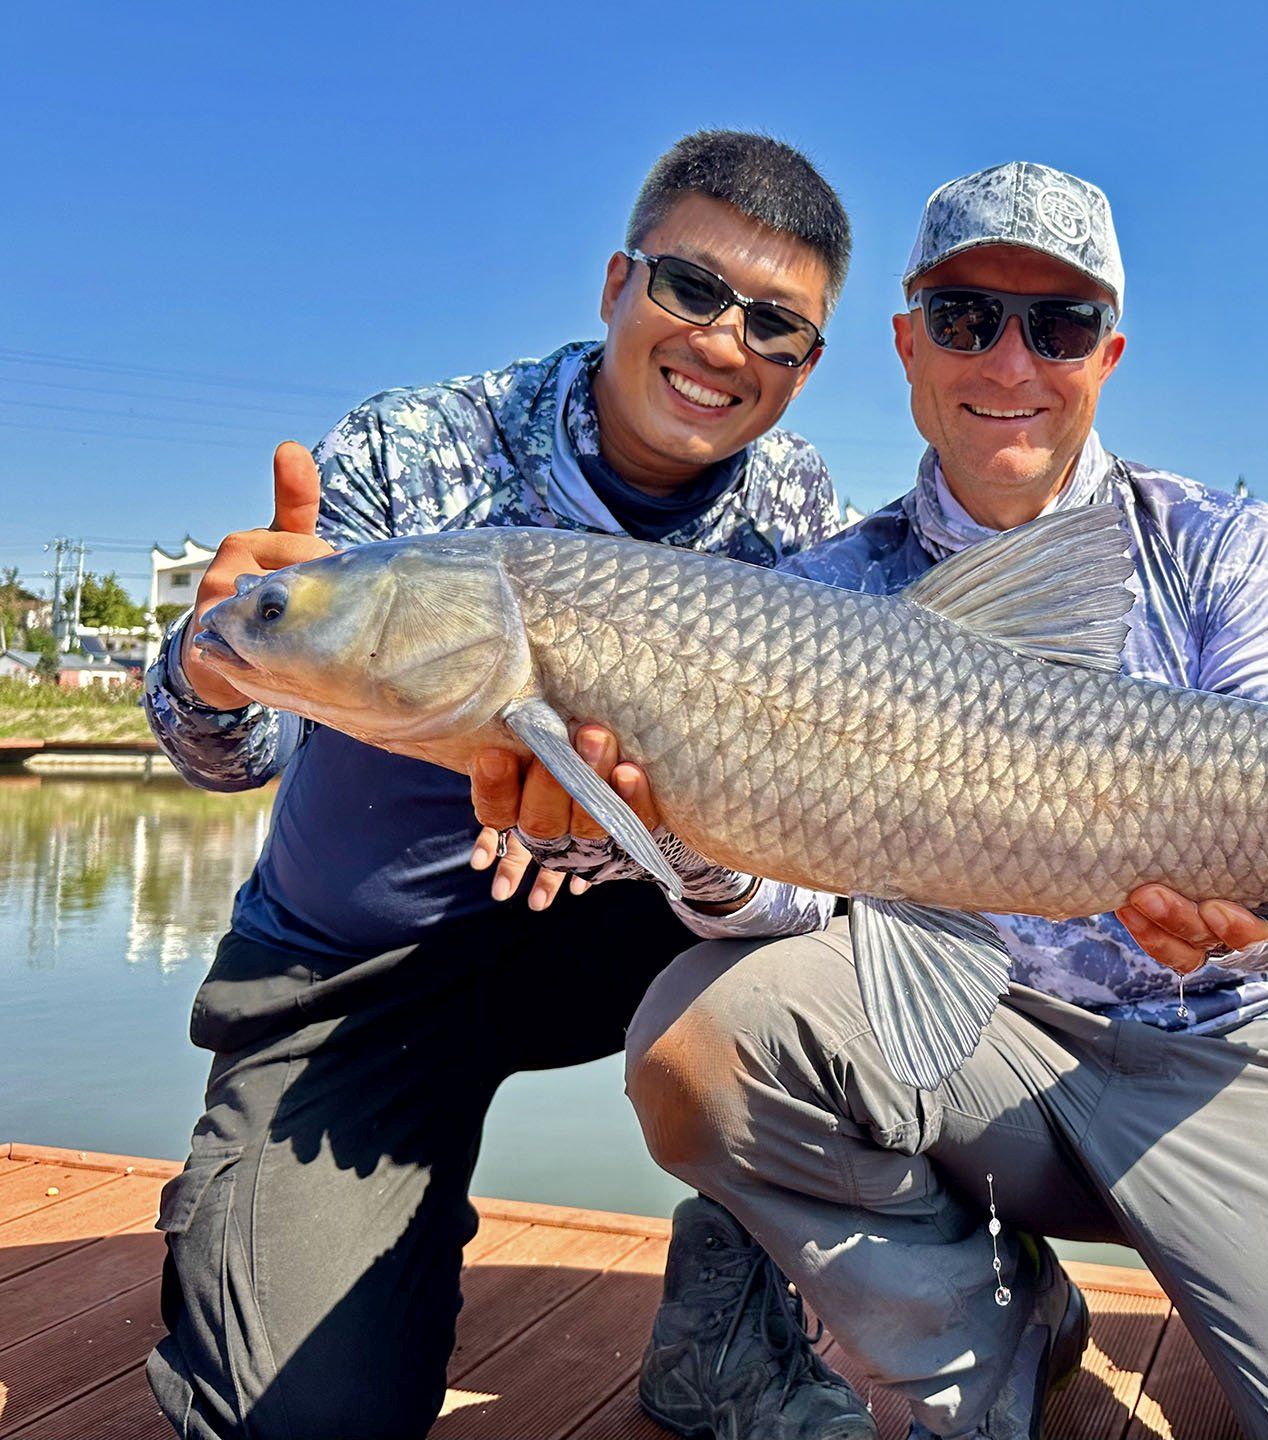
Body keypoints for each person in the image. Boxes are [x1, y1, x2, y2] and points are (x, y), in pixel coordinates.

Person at [608, 162, 1268, 1439]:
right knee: (699, 1035)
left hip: (1225, 1056)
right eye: (966, 318)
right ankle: (982, 1330)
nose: (1010, 361)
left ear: (1107, 354)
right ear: (907, 345)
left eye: (1056, 326)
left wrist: (1257, 924)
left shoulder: (1226, 546)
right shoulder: (821, 590)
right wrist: (689, 833)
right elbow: (793, 895)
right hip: (965, 1042)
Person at [140, 131, 879, 1440]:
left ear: (809, 367)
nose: (721, 343)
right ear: (615, 281)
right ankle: (328, 1222)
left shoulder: (798, 513)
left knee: (871, 907)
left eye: (775, 325)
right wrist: (216, 656)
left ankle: (738, 1290)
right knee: (299, 1424)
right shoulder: (415, 447)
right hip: (360, 970)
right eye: (691, 289)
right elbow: (231, 755)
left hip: (636, 932)